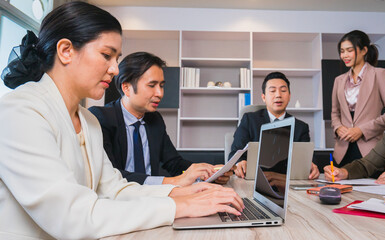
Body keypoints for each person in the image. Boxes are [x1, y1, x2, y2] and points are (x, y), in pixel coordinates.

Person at [0, 2, 243, 239]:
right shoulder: (20, 111)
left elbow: (115, 190)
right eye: (106, 55)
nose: (116, 69)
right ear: (66, 51)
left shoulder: (87, 120)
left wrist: (180, 193)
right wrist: (180, 206)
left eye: (117, 58)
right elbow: (72, 215)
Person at [89, 52, 232, 186]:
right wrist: (175, 181)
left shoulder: (154, 120)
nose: (160, 93)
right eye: (152, 85)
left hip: (154, 198)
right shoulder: (101, 118)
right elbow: (111, 176)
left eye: (161, 86)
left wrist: (209, 173)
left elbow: (174, 163)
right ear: (126, 88)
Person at [230, 71, 320, 179]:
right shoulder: (249, 120)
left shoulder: (300, 127)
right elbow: (235, 154)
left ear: (289, 95)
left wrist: (311, 167)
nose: (278, 95)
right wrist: (239, 163)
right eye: (272, 91)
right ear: (263, 97)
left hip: (285, 183)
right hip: (252, 181)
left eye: (283, 90)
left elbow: (308, 160)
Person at [331, 30, 385, 170]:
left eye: (349, 50)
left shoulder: (379, 74)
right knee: (341, 190)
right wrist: (338, 128)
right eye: (342, 51)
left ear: (364, 50)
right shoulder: (339, 80)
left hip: (370, 149)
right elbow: (334, 113)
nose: (345, 55)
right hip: (342, 149)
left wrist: (362, 130)